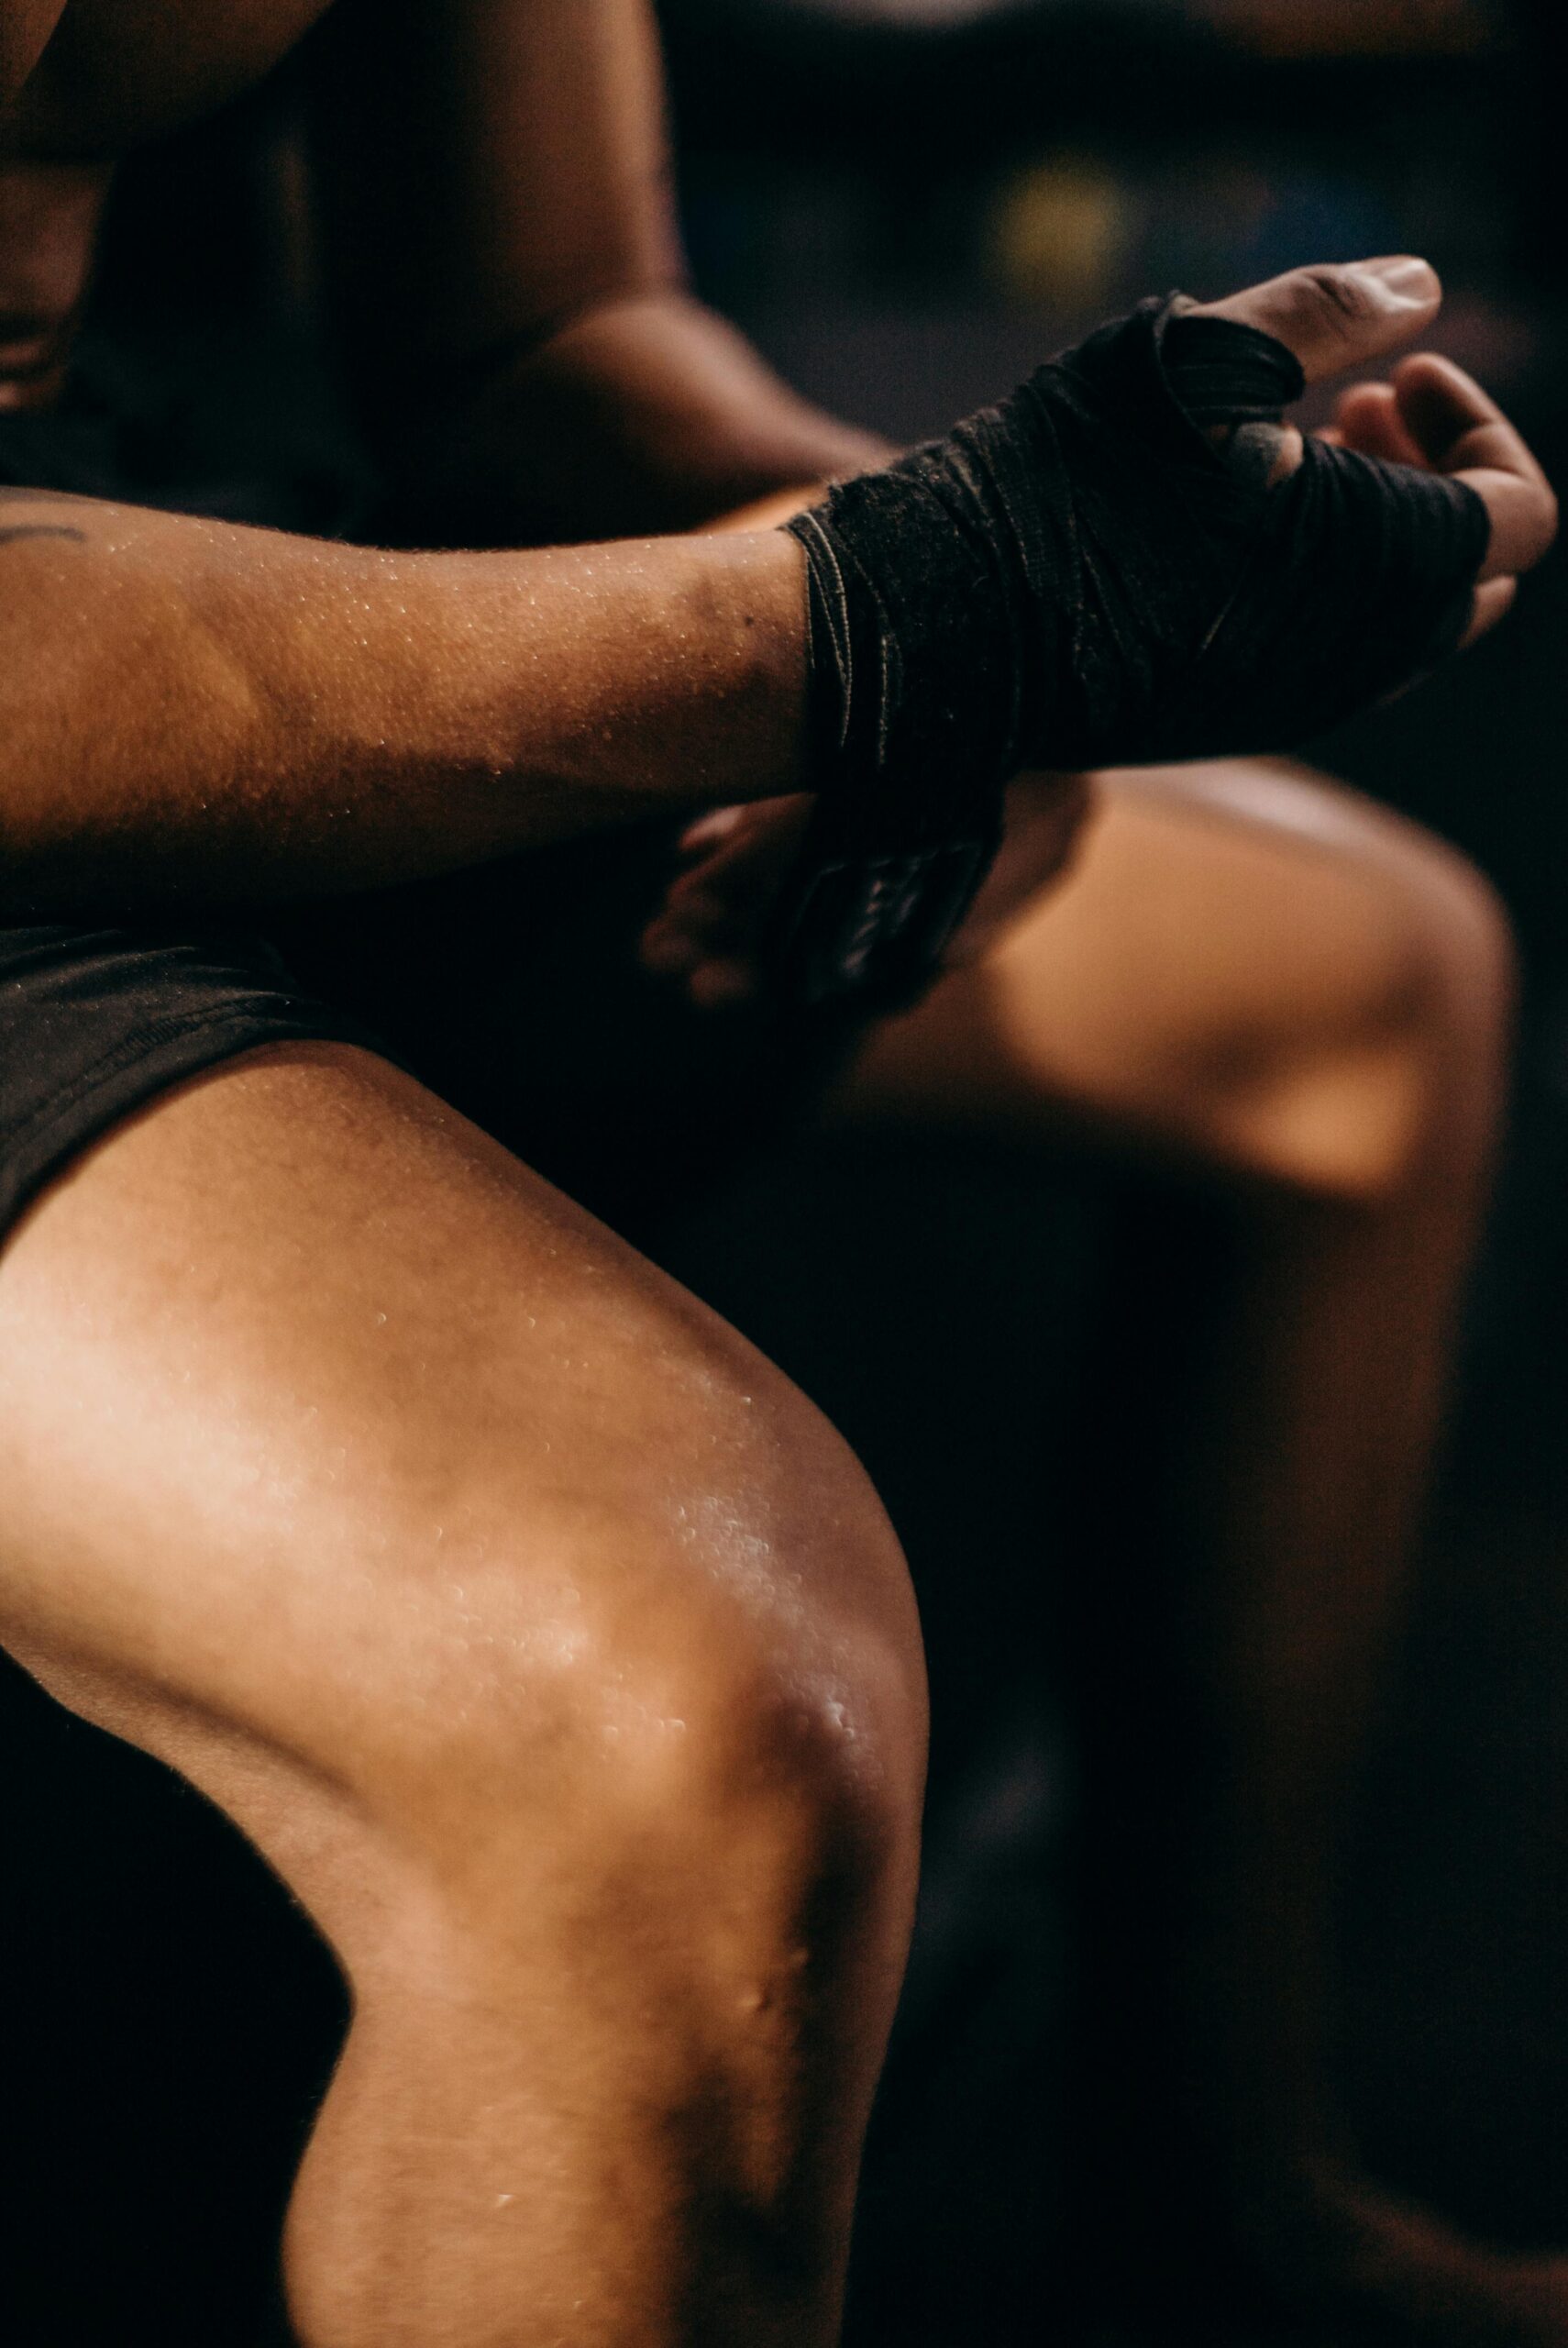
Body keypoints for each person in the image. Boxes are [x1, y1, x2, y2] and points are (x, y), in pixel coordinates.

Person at [0, 5, 1555, 2343]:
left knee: (1358, 993)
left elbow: (543, 326)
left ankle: (1214, 2216)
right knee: (693, 1708)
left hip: (146, 563)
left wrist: (973, 592)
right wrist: (887, 618)